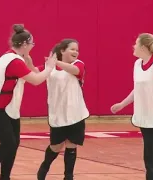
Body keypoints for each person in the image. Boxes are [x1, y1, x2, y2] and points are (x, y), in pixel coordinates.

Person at [0, 24, 57, 180]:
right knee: (8, 143)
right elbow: (36, 80)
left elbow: (33, 72)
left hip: (9, 107)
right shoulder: (14, 61)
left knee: (13, 144)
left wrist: (30, 63)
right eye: (31, 44)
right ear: (24, 44)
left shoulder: (15, 58)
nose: (32, 47)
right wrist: (49, 68)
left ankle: (5, 177)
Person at [110, 33, 153, 180]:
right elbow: (138, 90)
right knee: (150, 153)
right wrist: (122, 104)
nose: (133, 46)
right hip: (147, 115)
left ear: (143, 47)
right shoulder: (137, 65)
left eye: (136, 43)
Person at [36, 39, 89, 180]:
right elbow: (34, 73)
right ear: (62, 51)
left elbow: (76, 71)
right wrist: (28, 61)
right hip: (57, 114)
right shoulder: (49, 68)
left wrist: (55, 62)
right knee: (56, 146)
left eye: (77, 50)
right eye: (72, 49)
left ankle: (68, 176)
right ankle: (44, 168)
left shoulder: (78, 64)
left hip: (76, 113)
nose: (75, 52)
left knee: (72, 145)